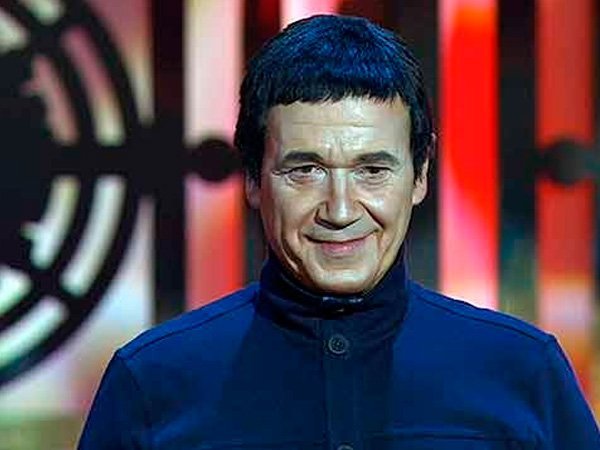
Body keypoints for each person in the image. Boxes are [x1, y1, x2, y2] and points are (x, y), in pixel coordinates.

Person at [78, 14, 599, 450]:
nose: (341, 209)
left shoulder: (524, 372)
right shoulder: (153, 382)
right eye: (306, 170)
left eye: (372, 170)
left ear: (420, 175)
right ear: (253, 179)